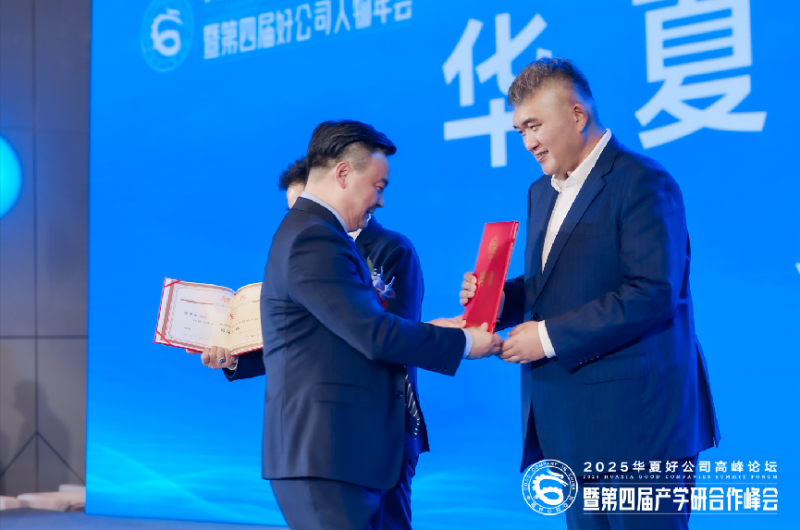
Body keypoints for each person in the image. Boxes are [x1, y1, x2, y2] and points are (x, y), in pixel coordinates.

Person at [200, 120, 502, 529]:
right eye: (378, 186)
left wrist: (443, 331)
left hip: (345, 451)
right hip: (329, 452)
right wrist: (464, 342)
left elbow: (352, 332)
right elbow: (375, 334)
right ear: (343, 173)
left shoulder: (323, 236)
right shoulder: (315, 238)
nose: (381, 200)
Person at [459, 58, 720, 530]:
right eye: (520, 131)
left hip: (639, 427)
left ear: (577, 115)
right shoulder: (541, 192)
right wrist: (498, 300)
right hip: (571, 427)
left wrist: (547, 337)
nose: (528, 142)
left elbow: (652, 292)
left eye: (534, 126)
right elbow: (554, 282)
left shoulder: (642, 181)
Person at [202, 155, 434, 529]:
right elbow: (300, 343)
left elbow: (392, 335)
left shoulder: (392, 250)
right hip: (322, 433)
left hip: (383, 424)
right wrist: (236, 358)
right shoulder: (300, 253)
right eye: (295, 210)